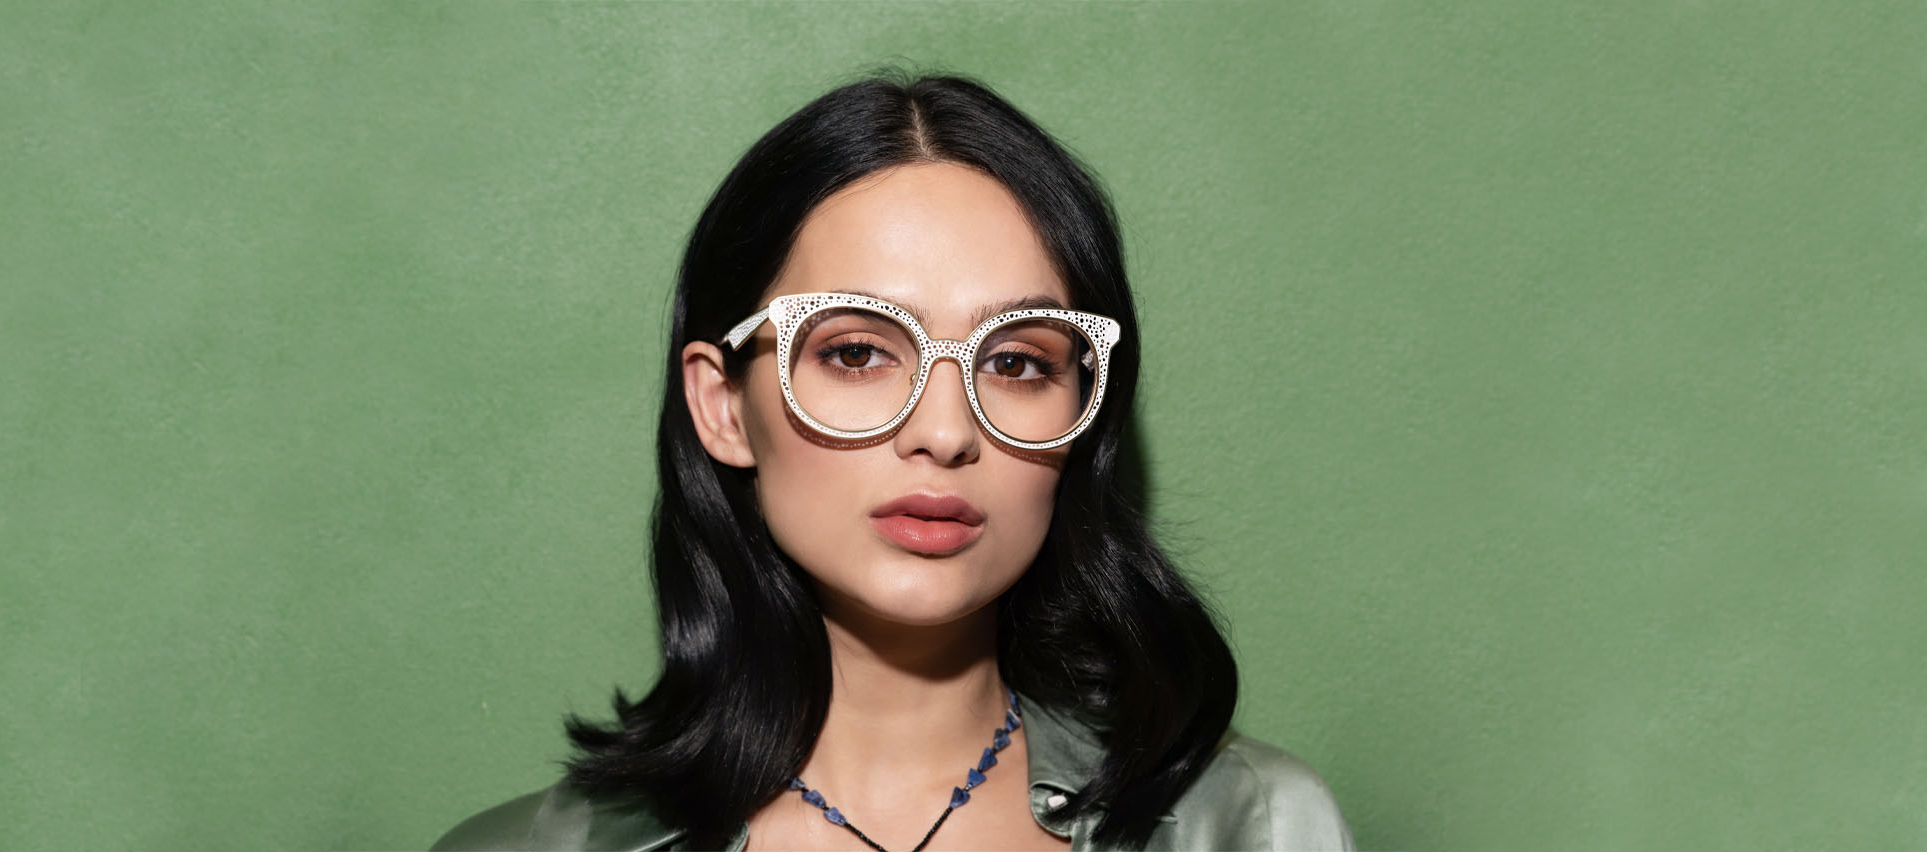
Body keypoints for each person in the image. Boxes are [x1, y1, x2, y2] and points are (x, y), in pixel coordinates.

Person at [432, 69, 1354, 851]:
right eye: (858, 353)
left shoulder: (1252, 826)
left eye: (1017, 362)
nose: (946, 431)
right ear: (723, 406)